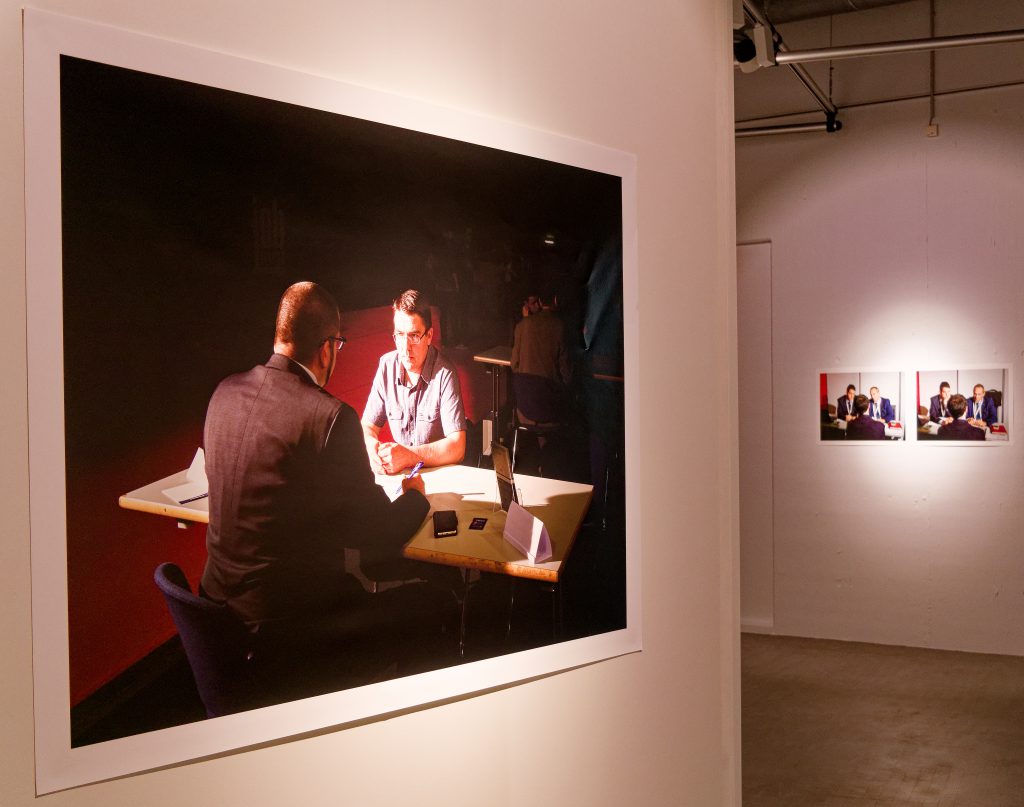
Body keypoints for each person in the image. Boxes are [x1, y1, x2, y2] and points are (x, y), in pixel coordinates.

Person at [201, 282, 434, 637]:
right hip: (289, 626)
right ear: (327, 349)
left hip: (214, 616)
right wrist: (415, 495)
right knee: (429, 606)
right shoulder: (330, 417)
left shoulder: (223, 393)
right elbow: (377, 534)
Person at [362, 289, 466, 475]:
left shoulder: (444, 373)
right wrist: (373, 450)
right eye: (399, 335)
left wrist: (408, 455)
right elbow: (368, 426)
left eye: (414, 336)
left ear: (429, 336)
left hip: (438, 476)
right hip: (401, 477)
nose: (405, 347)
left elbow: (457, 447)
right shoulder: (387, 366)